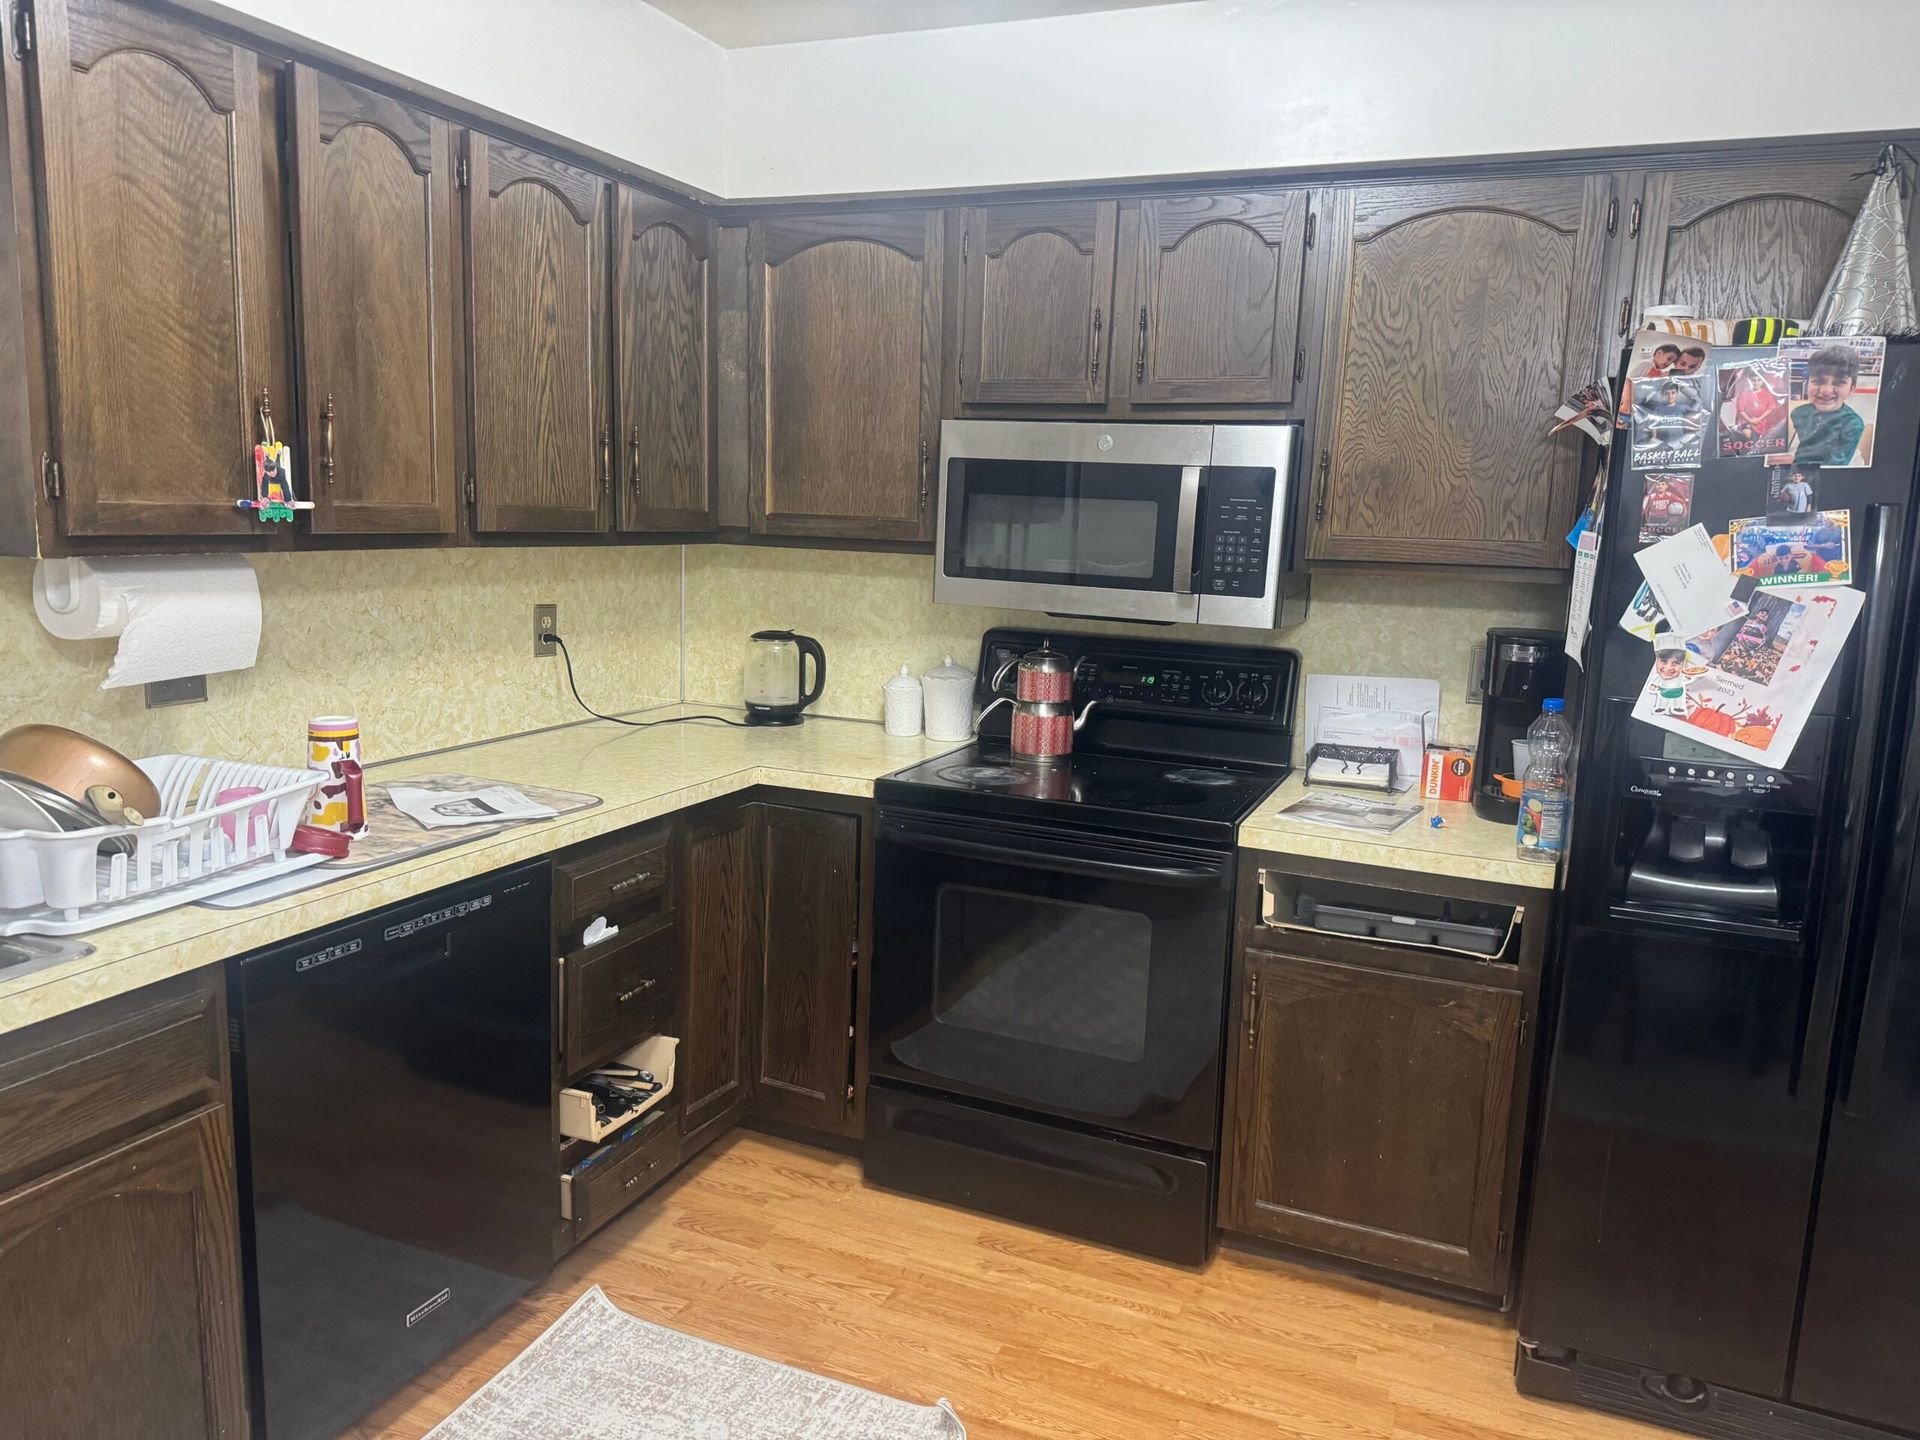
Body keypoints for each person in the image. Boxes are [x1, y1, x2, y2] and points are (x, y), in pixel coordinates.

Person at [1790, 346, 1868, 464]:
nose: (1826, 390)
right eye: (1818, 381)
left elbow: (1837, 465)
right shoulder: (1798, 413)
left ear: (1852, 389)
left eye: (1839, 382)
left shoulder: (1852, 424)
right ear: (1807, 384)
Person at [1649, 638, 1690, 717]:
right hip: (1664, 691)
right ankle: (1661, 707)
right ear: (1657, 661)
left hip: (1678, 691)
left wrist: (1688, 678)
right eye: (1664, 661)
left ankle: (1677, 707)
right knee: (1663, 700)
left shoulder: (1680, 675)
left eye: (1675, 663)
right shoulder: (1659, 677)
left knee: (1678, 700)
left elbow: (1685, 678)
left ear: (1683, 665)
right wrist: (1653, 685)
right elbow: (1656, 681)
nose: (1668, 668)